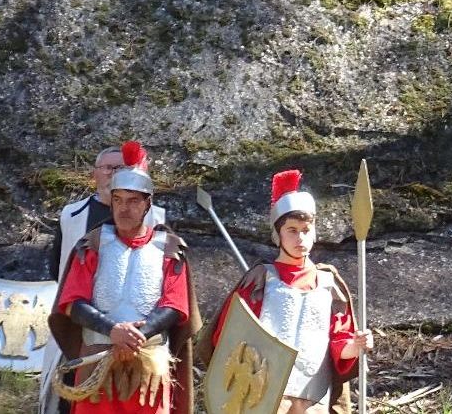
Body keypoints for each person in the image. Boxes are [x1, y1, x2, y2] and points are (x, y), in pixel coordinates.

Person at [47, 141, 200, 414]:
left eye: (132, 201)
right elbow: (71, 302)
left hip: (149, 364)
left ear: (146, 204)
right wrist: (114, 331)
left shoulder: (169, 248)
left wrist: (135, 337)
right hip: (98, 361)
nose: (123, 208)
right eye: (117, 200)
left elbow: (176, 306)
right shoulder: (91, 245)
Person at [207, 170, 374, 414]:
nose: (300, 238)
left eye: (306, 230)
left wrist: (356, 345)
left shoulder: (329, 284)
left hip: (314, 396)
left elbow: (339, 343)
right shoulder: (259, 282)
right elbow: (228, 342)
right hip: (264, 396)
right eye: (292, 230)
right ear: (278, 234)